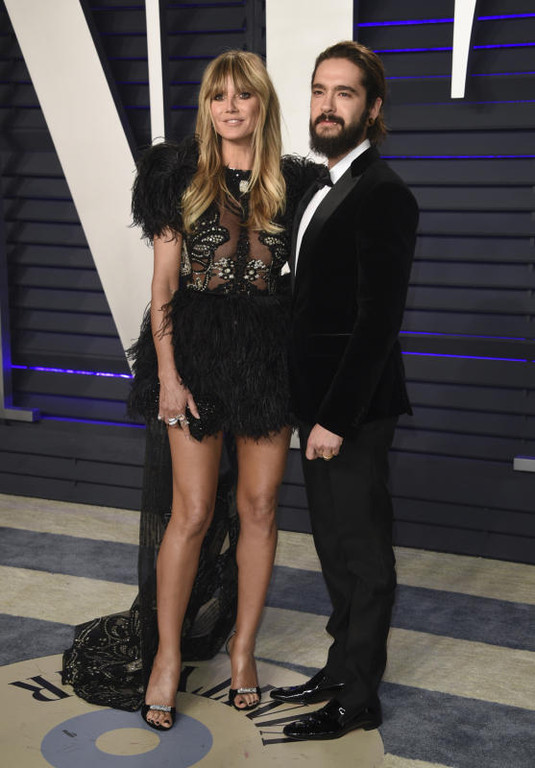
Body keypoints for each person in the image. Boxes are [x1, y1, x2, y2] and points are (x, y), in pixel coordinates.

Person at [124, 50, 318, 731]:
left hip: (266, 356)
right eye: (218, 96)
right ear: (206, 107)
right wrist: (168, 376)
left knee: (260, 505)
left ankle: (243, 650)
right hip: (195, 353)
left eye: (243, 95)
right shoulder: (176, 175)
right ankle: (167, 657)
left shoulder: (297, 183)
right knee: (193, 511)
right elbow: (163, 285)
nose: (230, 107)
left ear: (263, 104)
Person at [270, 41, 419, 740]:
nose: (327, 106)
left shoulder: (385, 194)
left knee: (363, 553)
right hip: (315, 406)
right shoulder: (315, 187)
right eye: (319, 91)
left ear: (373, 107)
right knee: (332, 547)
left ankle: (359, 696)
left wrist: (332, 417)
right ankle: (338, 667)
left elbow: (377, 322)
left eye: (345, 93)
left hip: (352, 410)